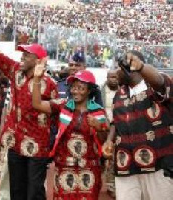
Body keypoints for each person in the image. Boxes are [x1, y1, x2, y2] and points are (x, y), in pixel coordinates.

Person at [0, 16, 58, 200]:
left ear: (39, 60)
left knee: (35, 191)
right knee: (16, 190)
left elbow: (56, 115)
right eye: (22, 54)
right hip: (16, 142)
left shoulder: (50, 84)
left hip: (37, 146)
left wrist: (54, 145)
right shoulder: (15, 71)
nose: (22, 57)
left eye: (27, 55)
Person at [103, 50, 173, 200]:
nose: (115, 71)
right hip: (126, 166)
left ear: (129, 68)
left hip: (157, 166)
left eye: (118, 67)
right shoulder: (119, 94)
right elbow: (115, 121)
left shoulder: (154, 85)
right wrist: (109, 140)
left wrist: (141, 66)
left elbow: (160, 82)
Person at [32, 64, 109, 199]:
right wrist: (37, 79)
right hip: (64, 166)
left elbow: (104, 140)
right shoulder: (62, 105)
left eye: (81, 88)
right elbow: (37, 104)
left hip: (89, 169)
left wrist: (99, 127)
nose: (75, 91)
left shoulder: (98, 111)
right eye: (73, 87)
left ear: (89, 90)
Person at [101, 69, 119, 198]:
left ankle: (112, 185)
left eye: (115, 77)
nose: (113, 79)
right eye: (110, 77)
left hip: (119, 129)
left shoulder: (124, 90)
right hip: (103, 129)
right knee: (104, 157)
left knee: (114, 158)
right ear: (107, 78)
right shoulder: (100, 90)